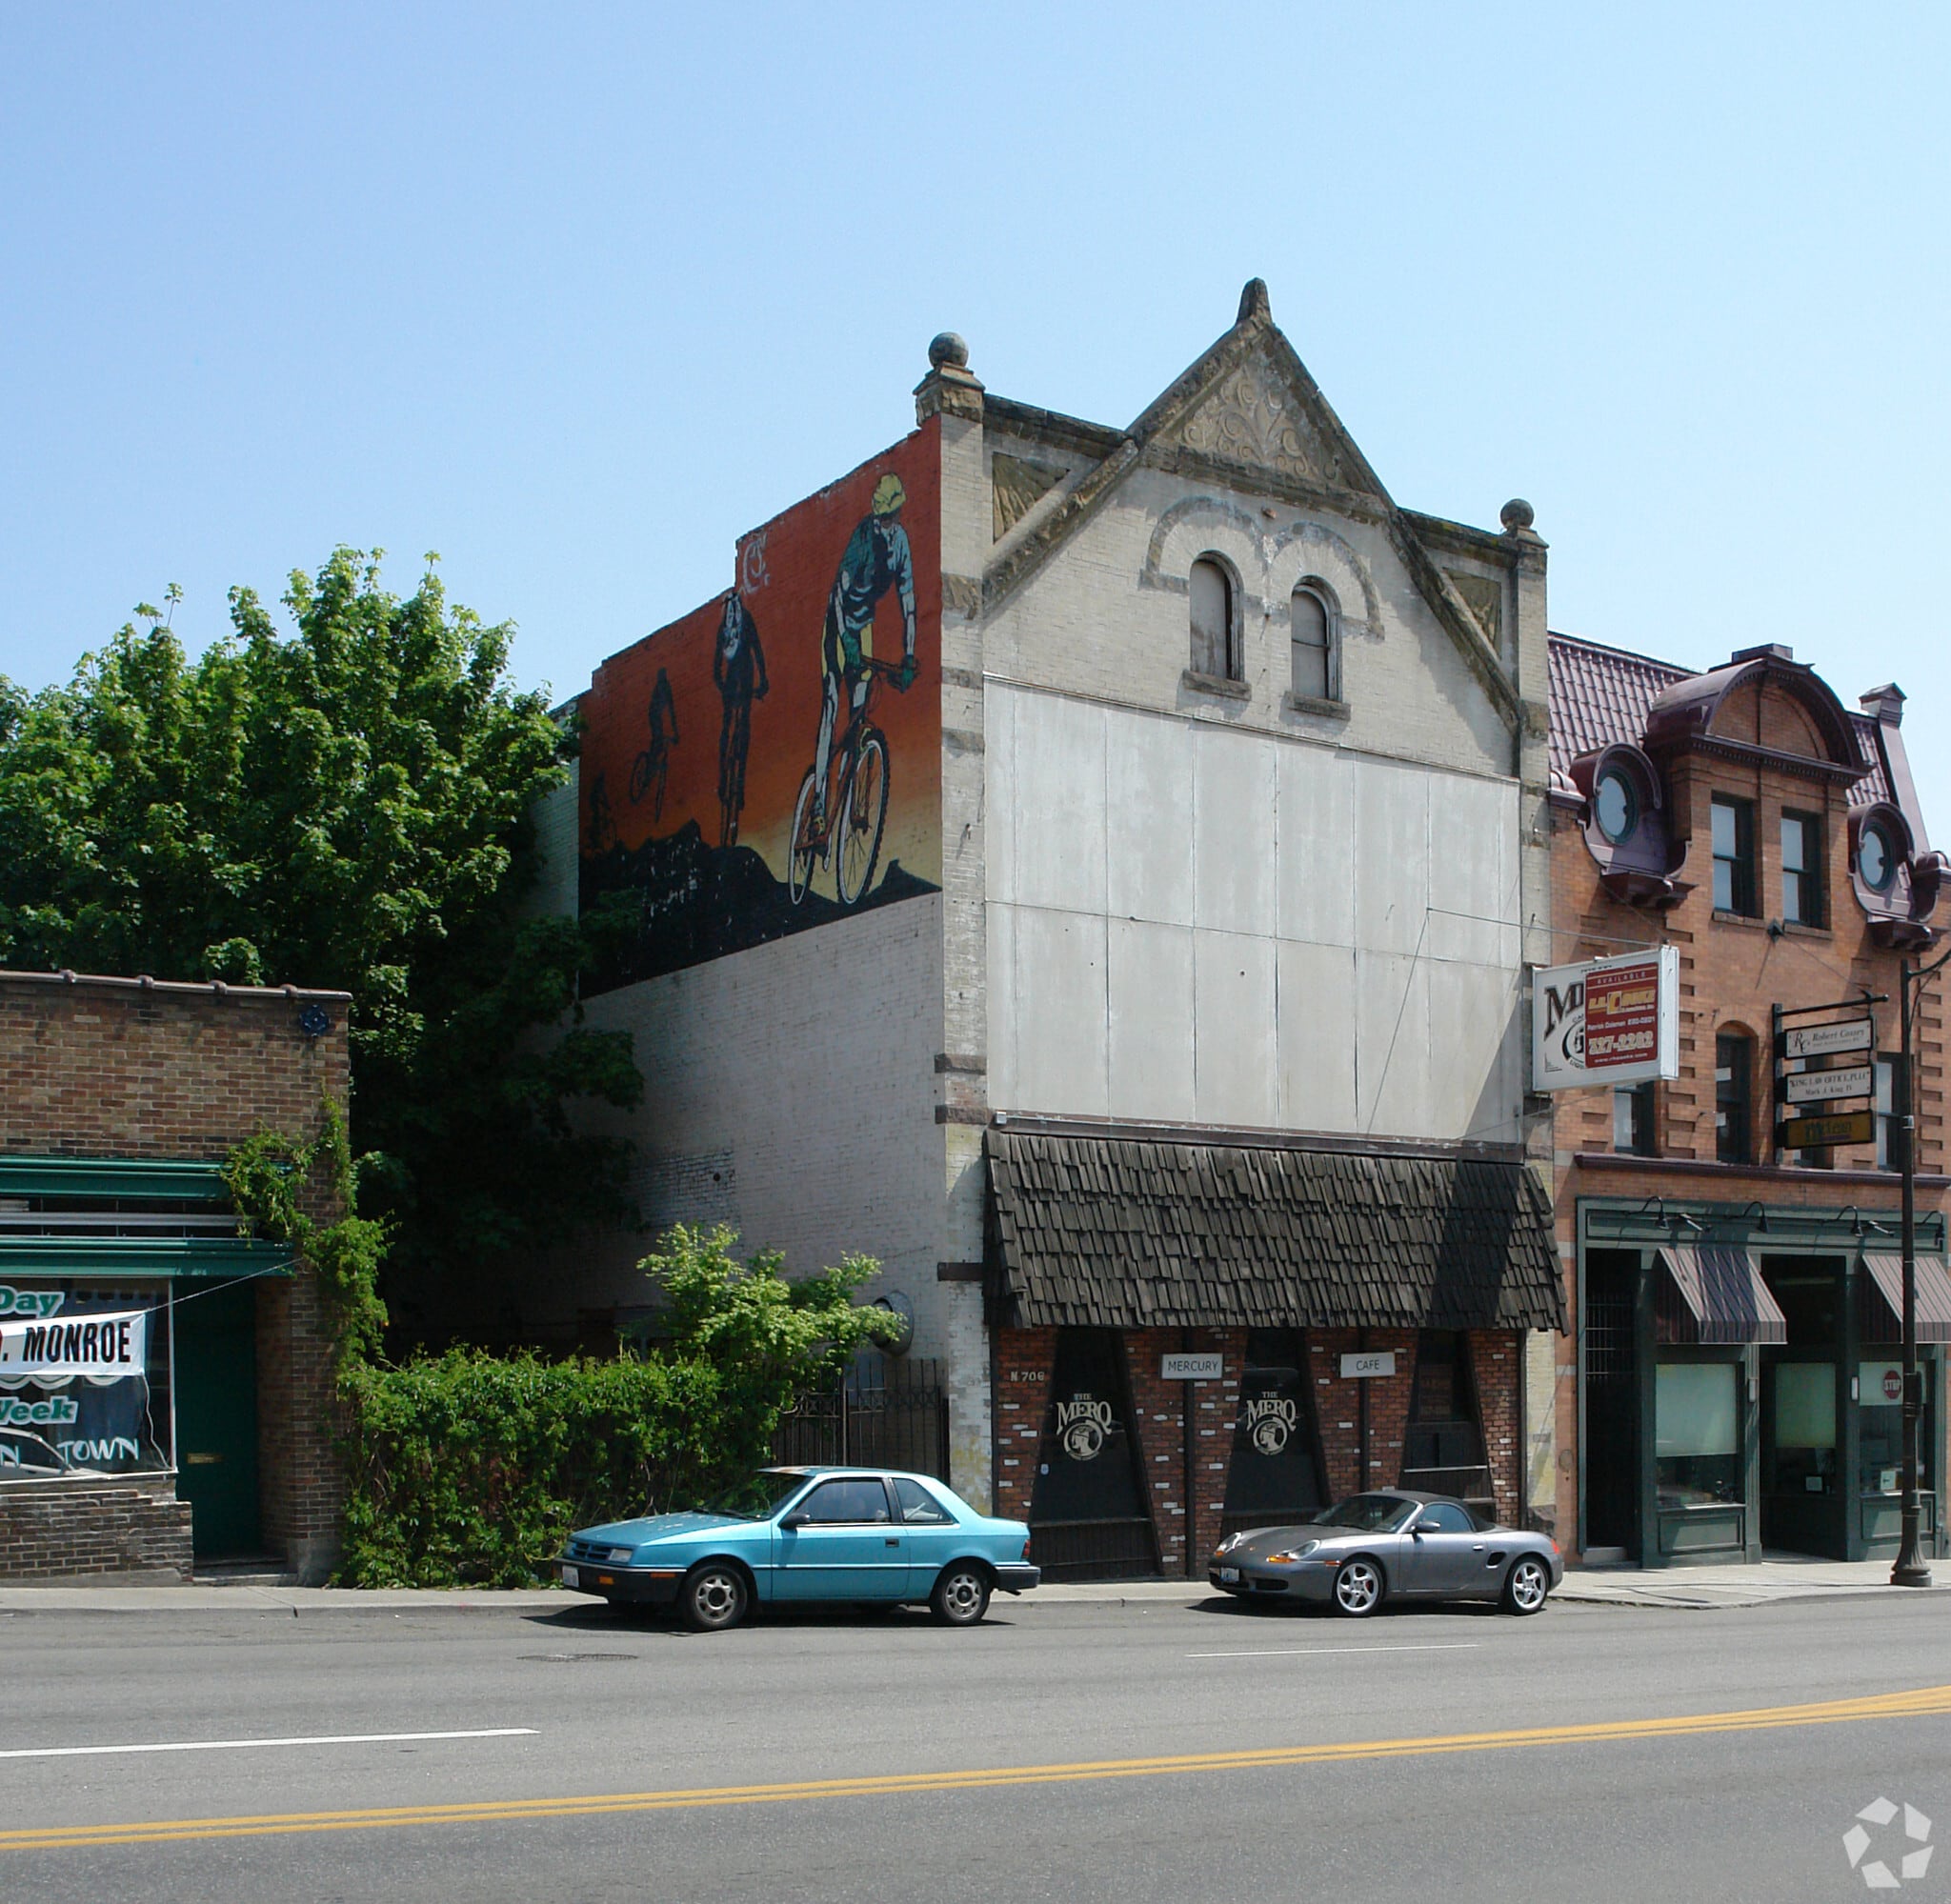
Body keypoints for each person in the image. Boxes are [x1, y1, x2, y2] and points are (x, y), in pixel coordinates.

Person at [812, 472, 916, 836]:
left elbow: (908, 602)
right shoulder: (862, 538)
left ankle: (848, 795)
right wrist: (846, 639)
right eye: (885, 517)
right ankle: (819, 803)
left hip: (864, 625)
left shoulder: (900, 543)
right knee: (831, 707)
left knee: (859, 712)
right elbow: (840, 594)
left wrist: (909, 656)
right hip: (838, 623)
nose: (890, 522)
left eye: (894, 515)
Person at [713, 592, 768, 848]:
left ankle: (727, 780)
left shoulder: (726, 625)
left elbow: (717, 664)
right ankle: (734, 783)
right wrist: (763, 680)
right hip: (743, 681)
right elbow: (757, 650)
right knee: (740, 727)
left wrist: (720, 683)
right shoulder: (744, 620)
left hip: (734, 683)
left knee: (731, 726)